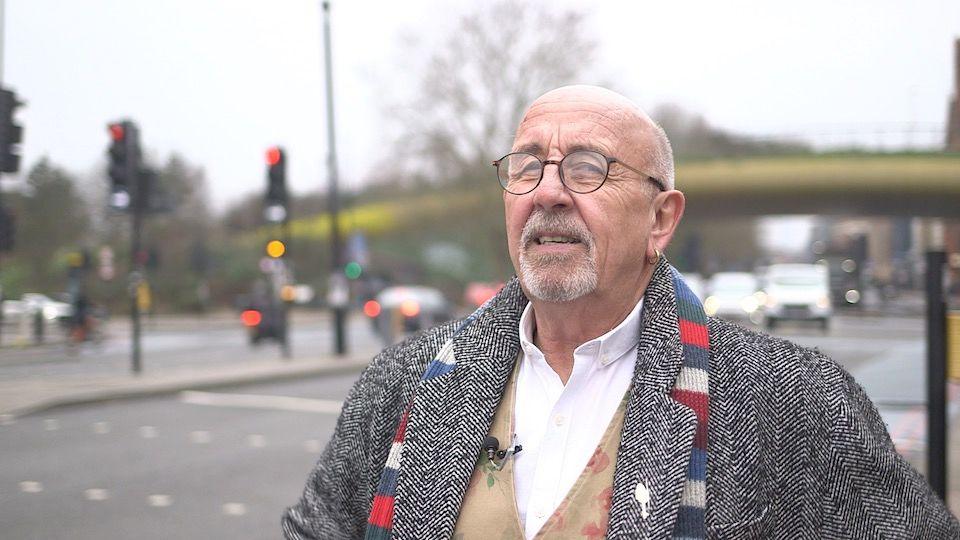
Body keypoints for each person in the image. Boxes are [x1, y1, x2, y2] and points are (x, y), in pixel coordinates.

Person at [282, 86, 959, 539]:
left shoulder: (794, 400)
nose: (547, 192)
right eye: (526, 168)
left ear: (660, 218)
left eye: (587, 168)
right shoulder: (402, 385)